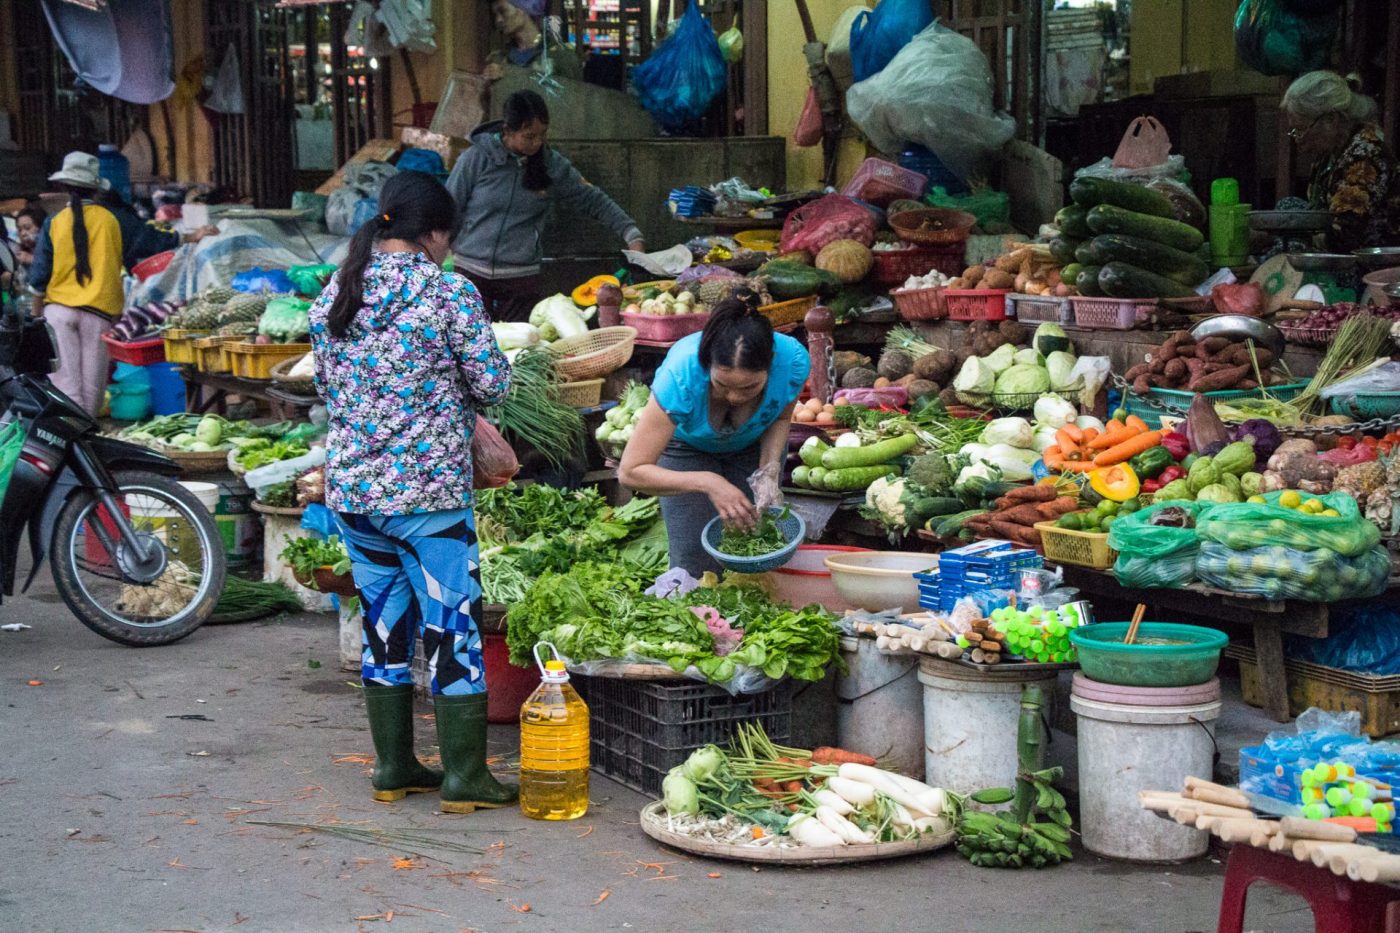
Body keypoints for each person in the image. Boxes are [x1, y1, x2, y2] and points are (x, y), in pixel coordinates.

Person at [308, 171, 518, 814]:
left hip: (354, 492)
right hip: (427, 497)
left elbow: (325, 392)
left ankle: (394, 766)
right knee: (453, 627)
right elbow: (494, 385)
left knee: (383, 626)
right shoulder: (448, 292)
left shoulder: (336, 291)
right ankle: (463, 777)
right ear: (435, 233)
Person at [618, 291, 810, 575]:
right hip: (686, 449)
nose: (734, 397)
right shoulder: (681, 375)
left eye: (749, 388)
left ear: (771, 365)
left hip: (751, 446)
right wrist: (709, 482)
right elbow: (630, 471)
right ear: (707, 363)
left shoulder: (792, 361)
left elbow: (780, 418)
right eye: (722, 384)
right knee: (695, 565)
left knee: (755, 548)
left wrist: (769, 470)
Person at [27, 152, 218, 413]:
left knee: (65, 387)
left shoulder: (53, 222)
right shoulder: (113, 219)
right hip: (98, 314)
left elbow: (38, 279)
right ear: (96, 190)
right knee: (93, 390)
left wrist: (34, 318)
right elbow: (154, 239)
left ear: (62, 187)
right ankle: (88, 439)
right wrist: (193, 235)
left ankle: (70, 443)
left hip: (58, 313)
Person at [445, 89, 643, 323]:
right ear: (508, 131)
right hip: (470, 272)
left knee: (518, 349)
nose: (537, 143)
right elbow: (448, 205)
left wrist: (631, 233)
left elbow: (593, 199)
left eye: (542, 135)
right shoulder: (475, 159)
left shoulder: (552, 165)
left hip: (521, 279)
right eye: (529, 136)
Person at [1281, 71, 1400, 253]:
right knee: (1287, 207)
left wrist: (1278, 237)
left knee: (1284, 250)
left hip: (1368, 257)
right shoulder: (1328, 154)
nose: (1298, 140)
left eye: (1301, 130)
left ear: (1331, 119)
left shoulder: (1364, 155)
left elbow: (1344, 236)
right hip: (1338, 245)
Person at [485, 0, 583, 83]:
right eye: (495, 15)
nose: (498, 20)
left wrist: (509, 74)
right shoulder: (498, 58)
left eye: (503, 11)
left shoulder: (561, 56)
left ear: (524, 10)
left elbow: (575, 98)